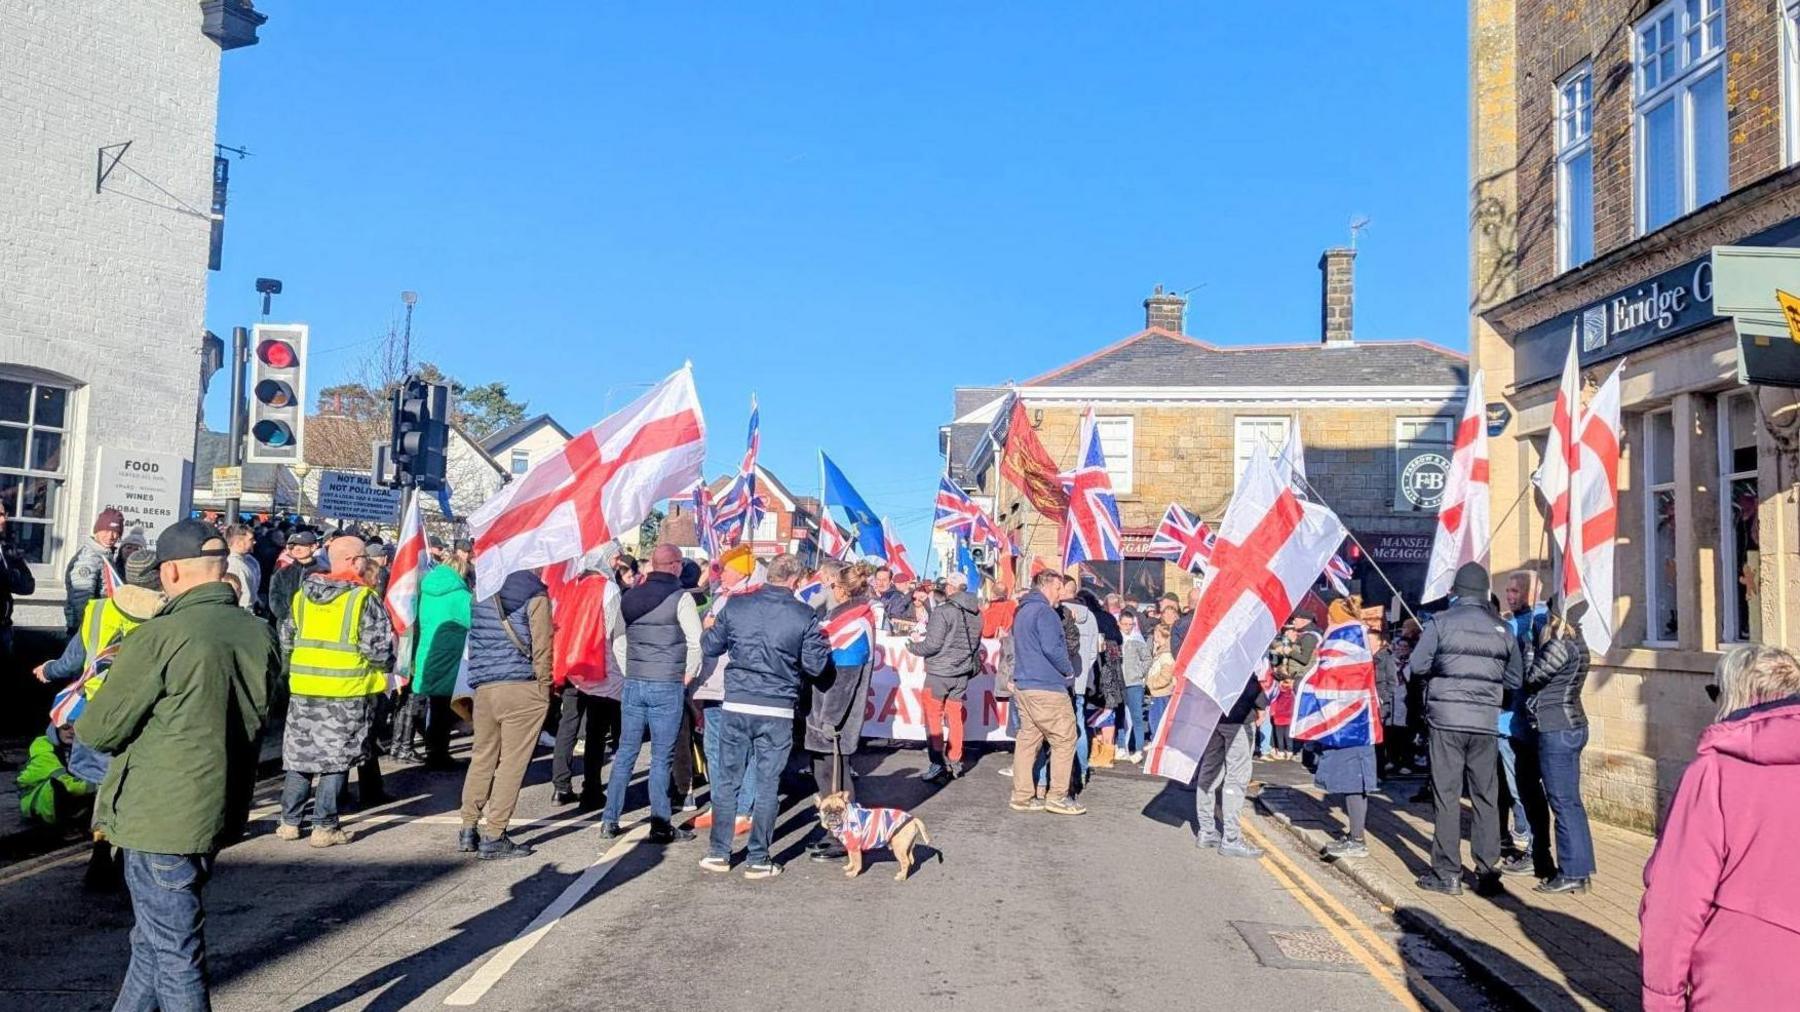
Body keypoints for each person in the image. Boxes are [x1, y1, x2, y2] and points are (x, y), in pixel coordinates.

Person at [74, 519, 277, 1011]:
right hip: (216, 805)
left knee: (174, 950)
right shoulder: (258, 633)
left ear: (169, 573)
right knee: (153, 940)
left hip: (159, 813)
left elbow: (100, 729)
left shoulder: (161, 636)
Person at [1640, 645, 1800, 1010]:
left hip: (1740, 978)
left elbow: (1675, 903)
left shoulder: (1713, 773)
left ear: (1736, 696)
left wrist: (1662, 999)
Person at [35, 549, 165, 891]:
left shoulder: (98, 611)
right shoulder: (168, 617)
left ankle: (100, 852)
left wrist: (47, 670)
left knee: (104, 789)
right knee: (135, 789)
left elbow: (70, 663)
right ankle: (126, 862)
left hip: (97, 714)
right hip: (145, 716)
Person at [698, 553, 830, 878]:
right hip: (777, 707)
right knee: (768, 783)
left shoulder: (737, 605)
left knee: (726, 780)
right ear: (796, 581)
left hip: (738, 702)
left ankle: (718, 853)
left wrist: (710, 629)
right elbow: (816, 666)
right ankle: (758, 858)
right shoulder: (804, 614)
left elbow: (711, 646)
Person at [1409, 562, 1522, 896]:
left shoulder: (1440, 623)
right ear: (1485, 593)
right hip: (1485, 721)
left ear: (1457, 592)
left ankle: (1446, 873)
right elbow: (1515, 678)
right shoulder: (1503, 629)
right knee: (1486, 797)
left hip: (1445, 719)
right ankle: (1488, 872)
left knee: (1446, 796)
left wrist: (1444, 669)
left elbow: (1417, 666)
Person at [276, 535, 394, 848]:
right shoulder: (361, 599)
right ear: (355, 561)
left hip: (304, 687)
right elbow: (379, 649)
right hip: (346, 690)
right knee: (335, 758)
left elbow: (286, 638)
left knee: (301, 754)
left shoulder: (303, 595)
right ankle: (324, 826)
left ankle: (289, 821)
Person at [600, 544, 703, 844]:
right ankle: (660, 824)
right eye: (680, 563)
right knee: (661, 757)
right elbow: (696, 641)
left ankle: (610, 819)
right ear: (673, 566)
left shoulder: (629, 597)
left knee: (626, 754)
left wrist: (628, 668)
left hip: (635, 681)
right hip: (667, 683)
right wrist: (688, 674)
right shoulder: (680, 598)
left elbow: (617, 639)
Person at [459, 569, 554, 859]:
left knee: (483, 756)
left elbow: (476, 639)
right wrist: (545, 686)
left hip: (485, 684)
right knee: (512, 762)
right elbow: (542, 644)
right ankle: (495, 833)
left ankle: (467, 827)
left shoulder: (481, 586)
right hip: (520, 684)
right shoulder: (533, 590)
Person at [803, 560, 877, 861]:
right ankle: (835, 831)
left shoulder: (854, 624)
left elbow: (846, 680)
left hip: (833, 720)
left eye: (831, 585)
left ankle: (846, 835)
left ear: (840, 588)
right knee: (825, 778)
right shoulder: (841, 619)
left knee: (838, 783)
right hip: (821, 716)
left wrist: (829, 720)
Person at [1520, 609, 1593, 894]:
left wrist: (1528, 650)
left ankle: (1572, 871)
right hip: (1574, 723)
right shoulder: (1580, 642)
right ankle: (1581, 869)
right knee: (1572, 802)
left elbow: (1532, 678)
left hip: (1556, 726)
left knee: (1562, 802)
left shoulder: (1560, 644)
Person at [1007, 570, 1083, 816]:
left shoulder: (1023, 611)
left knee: (1028, 739)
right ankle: (1057, 797)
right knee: (1065, 738)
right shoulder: (1045, 613)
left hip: (1025, 684)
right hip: (1046, 686)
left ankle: (1022, 796)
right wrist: (1068, 669)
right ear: (1047, 586)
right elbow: (1052, 647)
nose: (1062, 593)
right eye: (1059, 587)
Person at [547, 552, 619, 810]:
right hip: (596, 663)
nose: (616, 563)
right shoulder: (607, 588)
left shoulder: (571, 585)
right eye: (613, 558)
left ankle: (560, 786)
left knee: (568, 725)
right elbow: (613, 629)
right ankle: (591, 789)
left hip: (569, 663)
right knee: (596, 731)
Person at [1315, 599, 1381, 861]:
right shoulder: (1357, 638)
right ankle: (1355, 835)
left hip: (1351, 725)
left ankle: (1357, 839)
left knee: (1354, 782)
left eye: (1330, 617)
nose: (1327, 622)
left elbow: (1328, 677)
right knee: (1352, 782)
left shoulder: (1345, 641)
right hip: (1356, 722)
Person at [1191, 638, 1269, 859]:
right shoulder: (1239, 647)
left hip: (1212, 716)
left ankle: (1206, 830)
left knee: (1210, 771)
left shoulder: (1211, 647)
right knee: (1236, 777)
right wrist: (1261, 704)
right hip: (1238, 719)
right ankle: (1231, 838)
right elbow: (1249, 683)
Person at [908, 569, 982, 783]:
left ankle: (937, 763)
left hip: (939, 672)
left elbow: (932, 645)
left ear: (950, 587)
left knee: (933, 718)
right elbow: (976, 643)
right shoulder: (977, 612)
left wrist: (913, 647)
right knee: (955, 716)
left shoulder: (943, 611)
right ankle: (955, 760)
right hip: (962, 671)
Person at [1497, 571, 1549, 873]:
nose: (1510, 595)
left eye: (1515, 591)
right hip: (1505, 722)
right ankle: (1525, 840)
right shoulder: (1509, 623)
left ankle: (1533, 846)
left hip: (1523, 721)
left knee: (1524, 790)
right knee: (1515, 789)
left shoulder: (1538, 623)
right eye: (1508, 590)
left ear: (1531, 592)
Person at [412, 556, 473, 771]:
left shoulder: (426, 592)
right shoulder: (460, 596)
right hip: (451, 656)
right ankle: (439, 754)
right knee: (444, 709)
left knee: (435, 706)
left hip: (428, 652)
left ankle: (433, 750)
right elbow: (473, 620)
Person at [64, 507, 123, 635]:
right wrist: (88, 629)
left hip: (100, 626)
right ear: (97, 531)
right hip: (87, 630)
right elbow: (81, 600)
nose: (110, 536)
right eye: (106, 530)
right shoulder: (88, 558)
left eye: (115, 532)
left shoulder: (105, 555)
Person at [0, 500, 35, 683]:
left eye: (3, 515)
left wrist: (8, 575)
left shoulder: (7, 547)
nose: (2, 520)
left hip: (4, 628)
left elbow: (28, 586)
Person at [267, 530, 319, 630]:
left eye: (302, 545)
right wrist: (287, 617)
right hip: (286, 627)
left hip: (313, 626)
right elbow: (275, 599)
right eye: (293, 545)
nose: (297, 549)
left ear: (313, 547)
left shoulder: (323, 572)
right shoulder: (282, 573)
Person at [1119, 610, 1152, 763]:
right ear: (1119, 623)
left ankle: (1138, 748)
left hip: (1134, 683)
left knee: (1136, 716)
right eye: (1124, 624)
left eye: (1130, 624)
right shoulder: (1116, 639)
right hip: (1119, 682)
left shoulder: (1137, 639)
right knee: (1120, 716)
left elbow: (1147, 658)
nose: (1127, 627)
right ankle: (1121, 747)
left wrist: (1139, 673)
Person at [1144, 625, 1176, 742]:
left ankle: (1158, 742)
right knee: (1156, 719)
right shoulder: (1160, 650)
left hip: (1160, 693)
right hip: (1158, 693)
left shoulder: (1166, 654)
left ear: (1159, 635)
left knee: (1157, 719)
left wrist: (1151, 684)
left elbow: (1166, 676)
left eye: (1155, 635)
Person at [223, 523, 262, 612]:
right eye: (251, 539)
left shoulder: (249, 560)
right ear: (239, 543)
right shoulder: (234, 565)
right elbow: (246, 596)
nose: (254, 542)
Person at [871, 565, 910, 630]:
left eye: (884, 580)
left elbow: (895, 621)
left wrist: (880, 599)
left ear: (890, 581)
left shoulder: (897, 598)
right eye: (878, 579)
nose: (881, 583)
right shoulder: (869, 596)